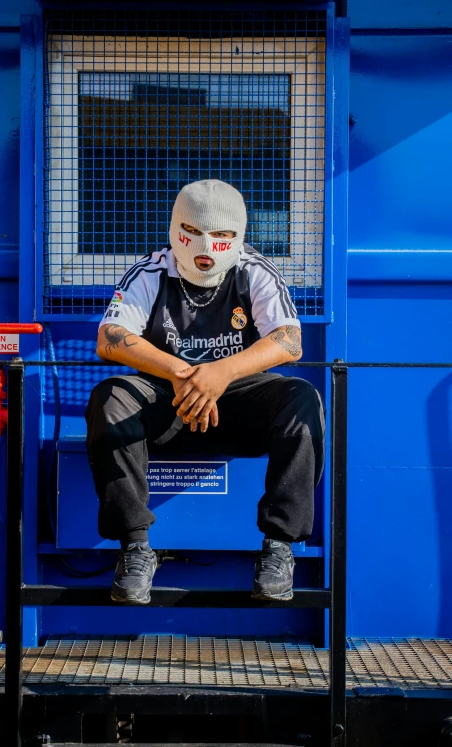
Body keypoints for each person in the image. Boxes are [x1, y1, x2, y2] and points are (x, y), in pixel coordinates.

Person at [86, 180, 325, 605]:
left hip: (236, 405)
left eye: (221, 235)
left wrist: (220, 374)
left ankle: (279, 548)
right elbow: (110, 336)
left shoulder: (255, 270)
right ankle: (135, 549)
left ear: (240, 235)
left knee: (302, 400)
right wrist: (183, 373)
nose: (205, 245)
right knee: (111, 397)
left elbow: (290, 340)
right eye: (192, 231)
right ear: (175, 227)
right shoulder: (151, 270)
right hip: (167, 405)